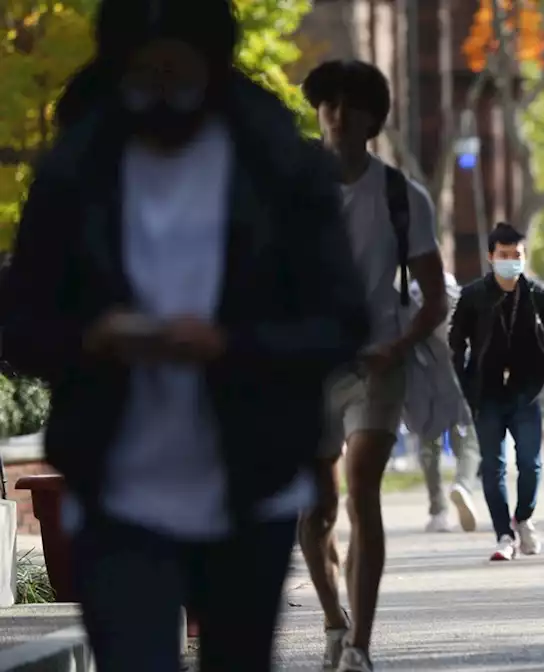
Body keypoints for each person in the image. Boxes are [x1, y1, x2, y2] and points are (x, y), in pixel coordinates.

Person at [0, 1, 370, 669]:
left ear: (213, 63)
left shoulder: (279, 169)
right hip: (114, 482)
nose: (162, 92)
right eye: (145, 74)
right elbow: (21, 324)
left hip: (247, 482)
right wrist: (93, 337)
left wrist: (232, 343)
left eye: (179, 72)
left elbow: (340, 324)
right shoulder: (74, 171)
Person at [298, 59, 448, 671]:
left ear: (372, 119)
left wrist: (398, 341)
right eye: (327, 101)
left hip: (378, 361)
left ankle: (361, 647)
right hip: (307, 367)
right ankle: (335, 620)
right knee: (316, 509)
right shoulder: (290, 187)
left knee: (363, 489)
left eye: (351, 102)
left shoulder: (400, 196)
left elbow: (436, 296)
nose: (337, 111)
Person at [450, 223, 544, 561]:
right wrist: (464, 385)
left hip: (526, 392)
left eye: (517, 255)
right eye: (503, 255)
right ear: (490, 257)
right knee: (493, 465)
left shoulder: (538, 295)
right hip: (487, 391)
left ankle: (522, 517)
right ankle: (503, 534)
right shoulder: (472, 296)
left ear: (524, 256)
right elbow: (455, 344)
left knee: (531, 464)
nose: (510, 261)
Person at [410, 274, 480, 534]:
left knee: (430, 447)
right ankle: (463, 484)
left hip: (422, 379)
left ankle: (438, 511)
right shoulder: (454, 291)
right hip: (455, 376)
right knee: (469, 441)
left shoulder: (409, 294)